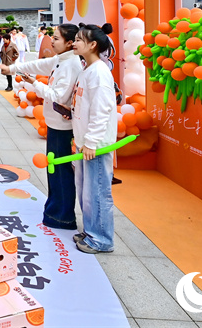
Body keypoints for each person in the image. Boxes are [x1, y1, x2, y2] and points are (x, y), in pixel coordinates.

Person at [0, 24, 83, 231]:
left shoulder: (71, 65)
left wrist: (35, 84)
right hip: (55, 125)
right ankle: (55, 211)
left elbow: (58, 96)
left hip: (63, 128)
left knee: (61, 172)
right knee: (54, 171)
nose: (51, 41)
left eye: (56, 38)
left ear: (69, 43)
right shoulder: (60, 60)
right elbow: (38, 65)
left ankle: (63, 217)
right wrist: (12, 69)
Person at [70, 23, 118, 254]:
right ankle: (91, 231)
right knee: (86, 192)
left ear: (92, 45)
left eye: (80, 39)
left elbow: (102, 110)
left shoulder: (99, 72)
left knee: (97, 192)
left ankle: (101, 239)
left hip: (95, 146)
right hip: (84, 143)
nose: (75, 42)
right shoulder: (87, 69)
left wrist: (91, 141)